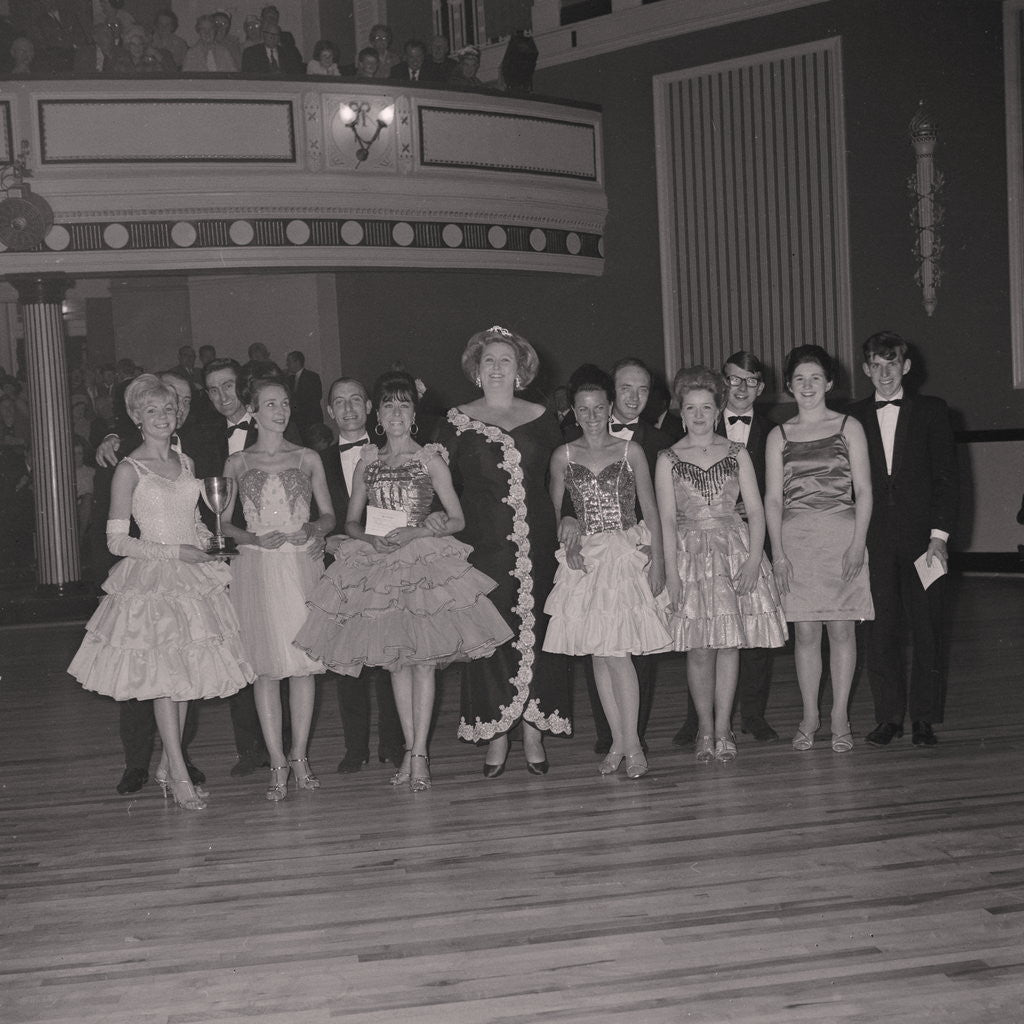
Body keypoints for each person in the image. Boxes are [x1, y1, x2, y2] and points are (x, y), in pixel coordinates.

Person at [295, 371, 513, 791]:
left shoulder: (430, 458)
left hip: (421, 560)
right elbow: (352, 521)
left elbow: (457, 518)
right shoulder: (368, 462)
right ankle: (412, 749)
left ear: (414, 413)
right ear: (378, 412)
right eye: (389, 405)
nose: (396, 413)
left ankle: (419, 756)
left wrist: (418, 532)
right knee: (397, 663)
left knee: (424, 663)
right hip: (377, 562)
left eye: (404, 405)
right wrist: (368, 539)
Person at [68, 375, 253, 810]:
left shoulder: (185, 462)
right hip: (152, 579)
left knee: (183, 678)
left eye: (168, 410)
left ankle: (171, 767)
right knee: (164, 681)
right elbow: (116, 540)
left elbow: (194, 522)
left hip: (188, 578)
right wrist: (175, 553)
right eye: (152, 411)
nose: (162, 418)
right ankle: (179, 773)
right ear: (136, 417)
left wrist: (210, 542)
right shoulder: (128, 469)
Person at [437, 326, 572, 776]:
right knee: (491, 636)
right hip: (483, 546)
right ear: (476, 370)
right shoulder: (455, 420)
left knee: (540, 632)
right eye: (489, 360)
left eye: (505, 361)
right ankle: (495, 735)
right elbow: (439, 489)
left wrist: (567, 520)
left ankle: (534, 733)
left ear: (521, 370)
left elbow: (564, 480)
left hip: (539, 542)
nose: (497, 367)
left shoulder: (544, 416)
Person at [657, 367, 787, 763]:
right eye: (691, 407)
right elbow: (664, 519)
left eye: (706, 407)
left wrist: (753, 560)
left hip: (733, 549)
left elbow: (759, 509)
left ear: (717, 412)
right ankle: (705, 729)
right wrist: (672, 574)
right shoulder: (667, 457)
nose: (698, 415)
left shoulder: (737, 453)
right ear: (682, 412)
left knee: (731, 645)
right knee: (698, 649)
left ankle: (726, 728)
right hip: (689, 555)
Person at [545, 365, 669, 778]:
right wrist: (569, 537)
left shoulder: (630, 450)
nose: (593, 416)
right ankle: (618, 742)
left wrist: (660, 562)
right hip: (588, 560)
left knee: (619, 655)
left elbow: (651, 509)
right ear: (574, 413)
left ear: (610, 408)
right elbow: (558, 513)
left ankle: (631, 746)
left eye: (600, 408)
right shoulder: (563, 456)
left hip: (624, 553)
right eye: (584, 409)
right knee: (599, 655)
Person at [221, 372, 334, 801]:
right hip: (258, 568)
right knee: (265, 669)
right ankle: (277, 761)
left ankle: (301, 755)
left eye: (285, 403)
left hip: (299, 563)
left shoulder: (307, 458)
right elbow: (223, 523)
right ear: (253, 410)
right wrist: (249, 537)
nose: (281, 411)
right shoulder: (237, 462)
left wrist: (312, 529)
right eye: (271, 404)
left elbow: (328, 516)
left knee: (303, 667)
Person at [849, 331, 958, 748]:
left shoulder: (933, 411)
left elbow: (947, 478)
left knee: (927, 628)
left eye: (891, 364)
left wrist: (939, 536)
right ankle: (889, 717)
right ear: (865, 370)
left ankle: (924, 719)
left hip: (923, 542)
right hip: (874, 539)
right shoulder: (852, 415)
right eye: (876, 365)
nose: (884, 373)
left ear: (906, 367)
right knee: (880, 630)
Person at [764, 345, 873, 753]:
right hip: (796, 542)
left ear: (829, 382)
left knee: (842, 628)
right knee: (806, 632)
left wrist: (858, 543)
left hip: (843, 538)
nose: (807, 386)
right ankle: (810, 714)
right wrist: (777, 553)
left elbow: (863, 490)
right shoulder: (779, 435)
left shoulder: (849, 426)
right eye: (799, 379)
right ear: (789, 386)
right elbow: (773, 499)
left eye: (815, 378)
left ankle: (840, 715)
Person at [311, 376, 404, 773]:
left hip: (387, 560)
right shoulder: (318, 460)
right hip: (343, 565)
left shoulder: (393, 452)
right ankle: (355, 748)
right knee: (347, 660)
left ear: (369, 407)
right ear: (330, 412)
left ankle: (394, 744)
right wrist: (325, 537)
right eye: (339, 402)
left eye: (355, 400)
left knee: (389, 655)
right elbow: (313, 512)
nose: (348, 408)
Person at [285, 349, 323, 438]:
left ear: (297, 362)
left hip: (310, 419)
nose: (287, 365)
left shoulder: (312, 377)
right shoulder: (290, 380)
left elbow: (316, 397)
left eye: (289, 362)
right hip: (297, 422)